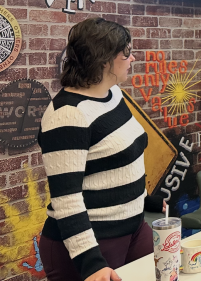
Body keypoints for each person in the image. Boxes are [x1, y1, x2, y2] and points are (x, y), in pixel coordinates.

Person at [39, 17, 164, 281]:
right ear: (104, 60)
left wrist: (145, 198)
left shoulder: (113, 94)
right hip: (91, 243)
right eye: (126, 53)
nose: (132, 59)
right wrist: (91, 263)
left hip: (133, 227)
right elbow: (66, 199)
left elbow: (119, 160)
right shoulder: (68, 115)